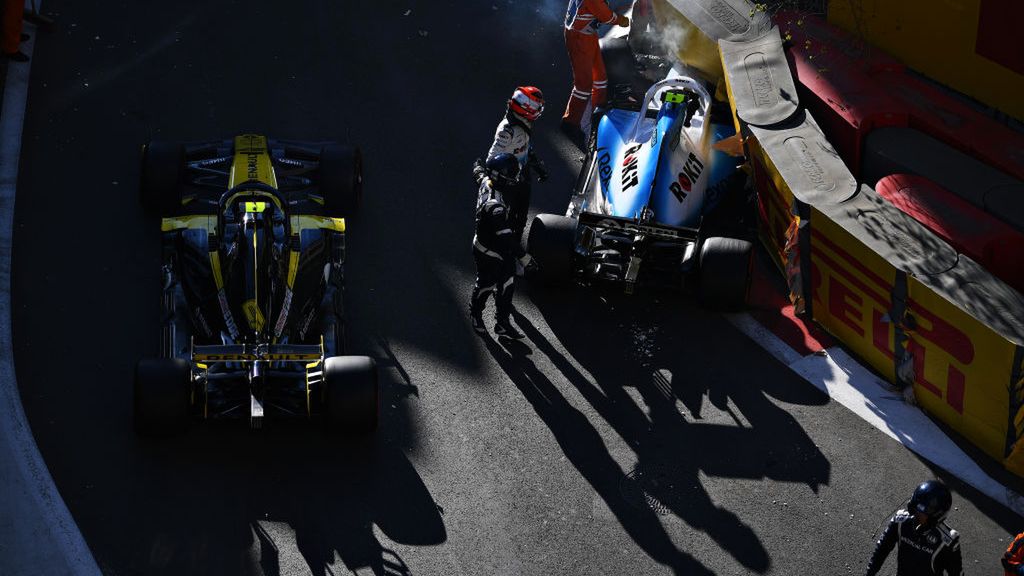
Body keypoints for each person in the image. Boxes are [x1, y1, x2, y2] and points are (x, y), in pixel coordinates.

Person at [470, 153, 532, 339]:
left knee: (507, 284)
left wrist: (477, 165)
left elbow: (479, 174)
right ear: (502, 178)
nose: (515, 180)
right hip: (488, 250)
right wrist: (525, 258)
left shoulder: (487, 180)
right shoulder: (494, 206)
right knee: (486, 285)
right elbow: (505, 236)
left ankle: (503, 324)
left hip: (500, 248)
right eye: (511, 177)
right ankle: (475, 314)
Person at [476, 86, 549, 242]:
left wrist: (537, 166)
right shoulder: (507, 130)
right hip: (510, 180)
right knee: (506, 217)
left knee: (521, 214)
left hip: (523, 175)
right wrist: (505, 177)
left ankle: (516, 237)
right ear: (525, 107)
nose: (539, 109)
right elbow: (492, 158)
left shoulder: (523, 122)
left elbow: (524, 147)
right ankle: (504, 243)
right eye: (536, 106)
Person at [561, 0, 630, 142]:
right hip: (579, 37)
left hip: (587, 34)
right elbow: (606, 16)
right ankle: (570, 124)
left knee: (600, 78)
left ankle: (597, 116)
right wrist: (621, 20)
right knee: (583, 85)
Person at [865, 480, 963, 576]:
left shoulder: (948, 542)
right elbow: (882, 549)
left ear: (936, 515)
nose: (918, 513)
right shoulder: (900, 521)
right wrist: (870, 573)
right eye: (916, 507)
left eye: (924, 511)